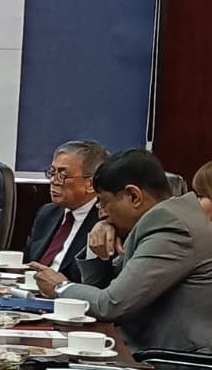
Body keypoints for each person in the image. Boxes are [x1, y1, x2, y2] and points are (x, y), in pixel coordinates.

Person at [32, 149, 212, 352]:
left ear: (134, 196)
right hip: (138, 347)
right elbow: (102, 290)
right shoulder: (163, 218)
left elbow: (110, 305)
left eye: (104, 202)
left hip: (168, 359)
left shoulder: (171, 227)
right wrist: (96, 247)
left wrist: (60, 287)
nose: (102, 213)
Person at [24, 140, 106, 278]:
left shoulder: (104, 222)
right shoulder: (47, 213)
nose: (53, 181)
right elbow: (28, 263)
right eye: (52, 172)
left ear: (90, 184)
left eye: (62, 176)